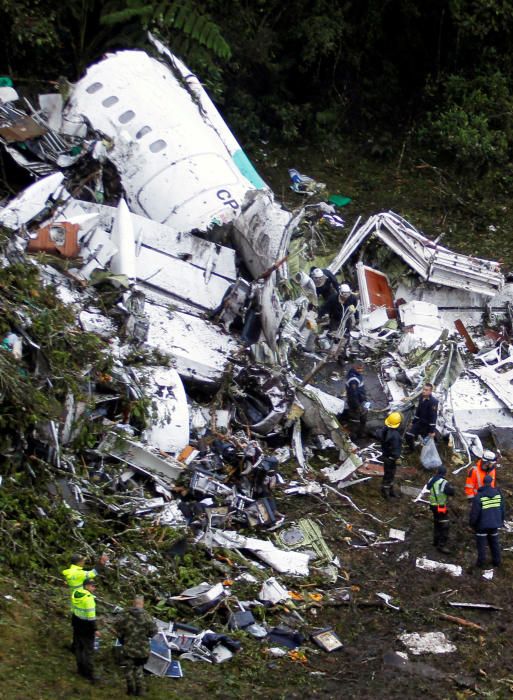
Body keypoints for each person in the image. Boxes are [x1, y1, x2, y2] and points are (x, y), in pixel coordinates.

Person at [115, 595, 157, 696]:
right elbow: (153, 632)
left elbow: (118, 628)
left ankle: (130, 689)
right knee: (138, 669)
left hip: (128, 647)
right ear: (142, 604)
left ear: (133, 603)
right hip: (142, 648)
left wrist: (123, 637)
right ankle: (140, 690)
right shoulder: (147, 616)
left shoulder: (125, 615)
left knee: (128, 668)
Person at [469, 474, 505, 572]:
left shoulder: (479, 496)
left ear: (484, 483)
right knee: (494, 543)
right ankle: (497, 561)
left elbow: (475, 513)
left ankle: (481, 563)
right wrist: (501, 521)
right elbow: (502, 509)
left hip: (482, 525)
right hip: (494, 524)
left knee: (481, 544)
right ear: (491, 482)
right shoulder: (498, 494)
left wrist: (472, 524)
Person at [71, 578, 99, 682]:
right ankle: (89, 674)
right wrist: (95, 629)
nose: (94, 588)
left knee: (79, 649)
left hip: (76, 623)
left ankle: (80, 669)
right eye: (92, 586)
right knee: (88, 652)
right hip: (87, 628)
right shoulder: (89, 599)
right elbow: (91, 617)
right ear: (86, 586)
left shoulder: (76, 593)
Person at [428, 465, 455, 554]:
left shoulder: (431, 480)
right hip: (440, 506)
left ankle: (435, 541)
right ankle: (441, 545)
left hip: (432, 505)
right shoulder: (443, 482)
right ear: (444, 473)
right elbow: (451, 492)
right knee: (444, 525)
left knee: (437, 523)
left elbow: (428, 487)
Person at [405, 383, 438, 451]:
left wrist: (432, 431)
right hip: (420, 422)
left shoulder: (433, 402)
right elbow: (418, 412)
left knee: (428, 442)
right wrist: (413, 423)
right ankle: (412, 449)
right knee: (408, 435)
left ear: (430, 391)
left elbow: (433, 416)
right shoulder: (421, 398)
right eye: (423, 389)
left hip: (427, 425)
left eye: (426, 390)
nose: (423, 391)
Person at [380, 412, 403, 499]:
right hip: (391, 458)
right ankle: (385, 492)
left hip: (385, 455)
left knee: (388, 473)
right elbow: (396, 449)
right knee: (390, 474)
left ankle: (390, 490)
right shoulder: (395, 436)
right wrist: (397, 458)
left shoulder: (385, 430)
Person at [345, 360, 369, 439]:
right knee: (359, 417)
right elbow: (353, 395)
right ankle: (356, 434)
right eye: (358, 369)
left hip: (360, 399)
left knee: (362, 415)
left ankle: (360, 431)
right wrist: (358, 406)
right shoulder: (353, 380)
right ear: (354, 367)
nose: (361, 370)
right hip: (356, 402)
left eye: (361, 369)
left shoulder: (356, 375)